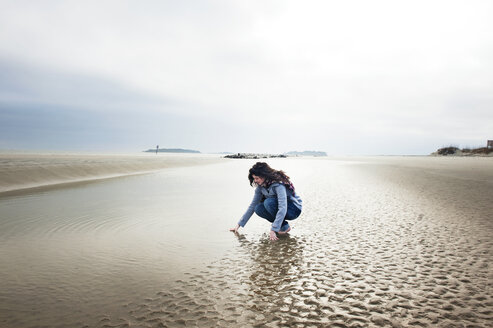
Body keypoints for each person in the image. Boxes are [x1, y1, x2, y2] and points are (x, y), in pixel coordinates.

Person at [230, 162, 302, 241]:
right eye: (254, 178)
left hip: (293, 209)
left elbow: (283, 206)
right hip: (281, 209)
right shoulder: (260, 188)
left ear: (264, 176)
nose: (255, 181)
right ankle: (284, 226)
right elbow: (252, 206)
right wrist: (239, 225)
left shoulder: (278, 184)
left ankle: (281, 226)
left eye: (257, 178)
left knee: (268, 202)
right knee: (258, 208)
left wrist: (273, 229)